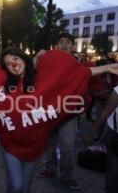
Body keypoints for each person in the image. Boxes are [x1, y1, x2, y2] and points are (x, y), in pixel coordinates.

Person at [0, 46, 118, 193]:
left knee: (26, 186)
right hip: (10, 145)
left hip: (35, 147)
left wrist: (106, 67)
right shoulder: (4, 85)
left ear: (23, 58)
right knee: (16, 185)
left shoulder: (40, 79)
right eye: (8, 63)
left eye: (15, 59)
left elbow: (73, 75)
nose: (13, 64)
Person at [36, 33, 82, 190]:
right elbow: (33, 75)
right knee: (49, 143)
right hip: (49, 112)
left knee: (67, 147)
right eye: (61, 42)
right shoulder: (48, 62)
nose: (64, 45)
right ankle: (50, 168)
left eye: (68, 42)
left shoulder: (77, 64)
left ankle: (67, 174)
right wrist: (37, 57)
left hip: (69, 114)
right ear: (55, 46)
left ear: (72, 46)